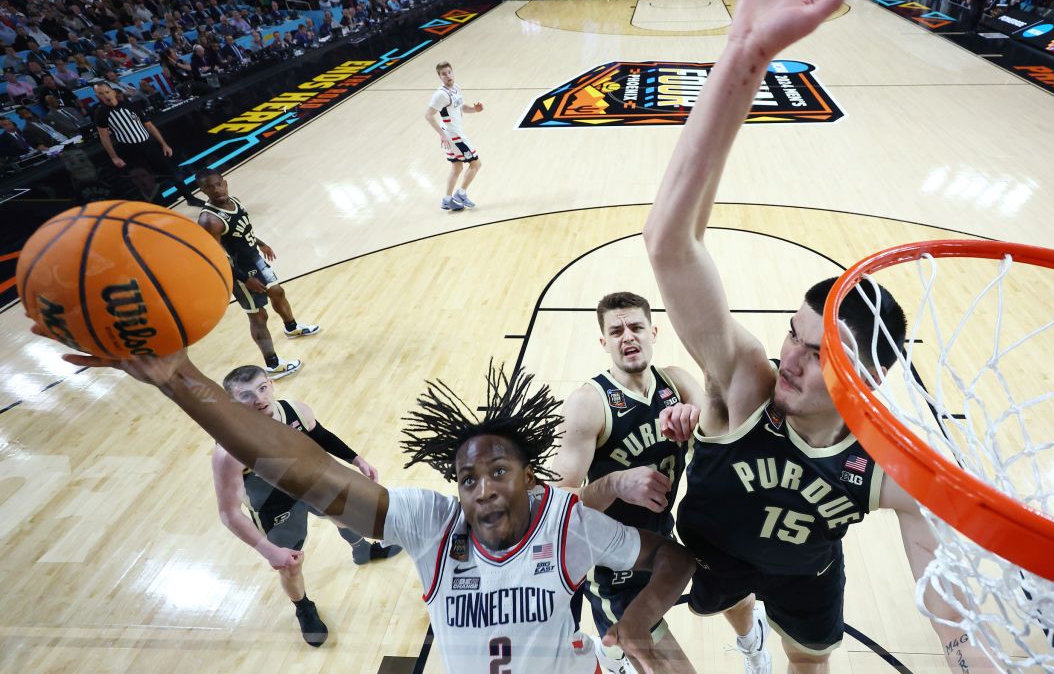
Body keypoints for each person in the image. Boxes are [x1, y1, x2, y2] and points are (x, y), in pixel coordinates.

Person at [642, 0, 989, 672]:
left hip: (807, 574)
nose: (789, 359)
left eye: (817, 350)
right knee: (730, 604)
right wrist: (746, 51)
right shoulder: (743, 385)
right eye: (793, 337)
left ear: (870, 371)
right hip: (716, 551)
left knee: (811, 665)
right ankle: (746, 639)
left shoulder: (886, 461)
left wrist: (966, 656)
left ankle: (774, 644)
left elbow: (943, 600)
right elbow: (671, 244)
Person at [46, 346, 698, 672]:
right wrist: (181, 379)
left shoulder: (565, 523)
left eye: (499, 470)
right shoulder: (429, 522)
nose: (482, 488)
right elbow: (302, 469)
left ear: (531, 476)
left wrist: (639, 623)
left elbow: (671, 559)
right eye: (467, 477)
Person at [551, 291, 704, 673]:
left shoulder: (678, 383)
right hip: (609, 560)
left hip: (664, 539)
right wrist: (615, 484)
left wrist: (700, 419)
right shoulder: (588, 404)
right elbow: (552, 509)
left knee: (737, 580)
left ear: (654, 331)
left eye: (636, 327)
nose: (627, 336)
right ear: (604, 343)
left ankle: (751, 643)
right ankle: (612, 649)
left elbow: (727, 438)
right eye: (616, 331)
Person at [214, 364, 401, 646]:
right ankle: (303, 608)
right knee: (290, 566)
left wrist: (356, 459)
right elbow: (228, 514)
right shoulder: (230, 449)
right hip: (274, 508)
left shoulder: (295, 410)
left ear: (271, 385)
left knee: (344, 515)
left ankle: (362, 550)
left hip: (312, 483)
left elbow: (320, 435)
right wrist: (267, 550)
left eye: (263, 388)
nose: (260, 399)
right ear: (232, 402)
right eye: (246, 395)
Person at [196, 169, 318, 380]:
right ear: (202, 190)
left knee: (278, 292)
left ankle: (292, 328)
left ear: (225, 182)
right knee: (258, 316)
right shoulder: (209, 220)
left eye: (218, 184)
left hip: (255, 259)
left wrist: (261, 244)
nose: (216, 190)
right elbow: (217, 257)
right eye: (209, 187)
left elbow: (244, 231)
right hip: (240, 272)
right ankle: (273, 365)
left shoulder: (234, 201)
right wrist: (244, 279)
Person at [91, 83, 202, 206]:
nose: (105, 95)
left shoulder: (129, 105)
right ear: (97, 96)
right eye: (101, 93)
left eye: (107, 92)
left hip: (149, 145)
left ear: (113, 91)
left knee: (171, 172)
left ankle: (190, 198)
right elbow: (104, 136)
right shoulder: (100, 113)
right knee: (145, 183)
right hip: (130, 151)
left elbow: (149, 125)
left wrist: (163, 144)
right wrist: (114, 157)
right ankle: (159, 209)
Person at [425, 61, 484, 211]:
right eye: (444, 74)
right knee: (476, 164)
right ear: (440, 77)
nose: (448, 75)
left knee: (457, 168)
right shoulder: (440, 95)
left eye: (449, 72)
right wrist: (442, 134)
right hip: (454, 136)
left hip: (454, 134)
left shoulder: (456, 88)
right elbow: (428, 115)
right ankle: (460, 193)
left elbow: (461, 107)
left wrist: (474, 109)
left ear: (453, 72)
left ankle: (446, 199)